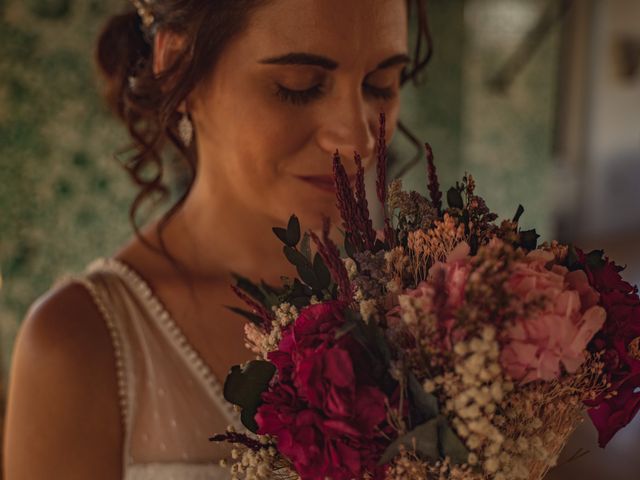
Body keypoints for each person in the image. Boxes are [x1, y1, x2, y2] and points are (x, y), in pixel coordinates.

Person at [3, 0, 431, 478]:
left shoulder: (432, 305)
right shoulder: (78, 345)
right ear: (180, 66)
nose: (358, 139)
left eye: (380, 86)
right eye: (300, 88)